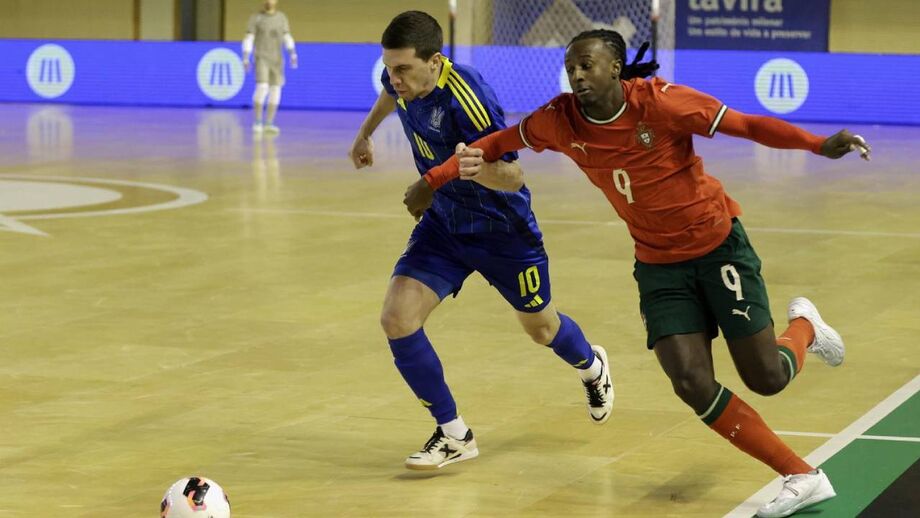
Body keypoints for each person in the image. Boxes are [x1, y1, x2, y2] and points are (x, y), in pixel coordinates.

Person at [410, 29, 871, 517]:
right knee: (691, 382)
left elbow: (748, 126)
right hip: (657, 264)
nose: (577, 75)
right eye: (570, 68)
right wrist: (433, 179)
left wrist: (819, 144)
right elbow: (497, 141)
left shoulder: (663, 103)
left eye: (587, 65)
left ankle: (804, 329)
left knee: (767, 377)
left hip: (718, 248)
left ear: (615, 67)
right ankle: (801, 474)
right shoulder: (558, 120)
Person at [349, 12, 613, 471]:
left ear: (435, 61)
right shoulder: (402, 81)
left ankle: (592, 366)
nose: (394, 79)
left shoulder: (468, 100)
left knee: (542, 330)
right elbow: (389, 96)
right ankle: (454, 433)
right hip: (445, 227)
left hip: (502, 232)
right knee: (397, 318)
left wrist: (471, 170)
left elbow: (514, 176)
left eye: (403, 70)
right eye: (388, 69)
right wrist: (366, 133)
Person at [242, 0, 297, 135]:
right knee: (262, 87)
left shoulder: (281, 18)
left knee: (276, 89)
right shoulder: (256, 18)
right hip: (261, 57)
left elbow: (286, 36)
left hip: (277, 60)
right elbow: (249, 38)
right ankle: (258, 121)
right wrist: (246, 56)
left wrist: (292, 53)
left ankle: (269, 122)